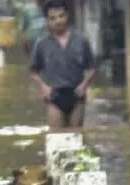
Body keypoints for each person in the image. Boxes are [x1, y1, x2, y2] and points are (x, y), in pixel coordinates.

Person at [30, 0, 96, 129]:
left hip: (76, 95)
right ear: (47, 20)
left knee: (76, 138)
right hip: (54, 96)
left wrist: (84, 85)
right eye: (53, 18)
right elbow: (34, 71)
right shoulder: (42, 43)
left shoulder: (81, 40)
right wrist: (43, 87)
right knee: (56, 139)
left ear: (67, 16)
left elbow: (92, 67)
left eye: (61, 16)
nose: (58, 21)